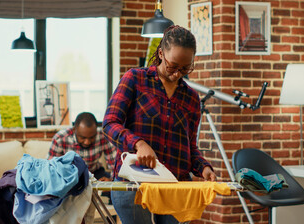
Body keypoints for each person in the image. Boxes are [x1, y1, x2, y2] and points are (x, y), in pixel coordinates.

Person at [102, 25, 216, 224]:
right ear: (161, 53)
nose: (177, 74)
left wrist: (203, 168)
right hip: (134, 184)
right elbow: (110, 123)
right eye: (173, 66)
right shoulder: (135, 79)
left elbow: (190, 147)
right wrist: (138, 144)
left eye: (185, 68)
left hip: (175, 185)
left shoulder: (191, 98)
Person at [48, 112, 116, 181]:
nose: (87, 142)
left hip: (95, 172)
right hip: (70, 174)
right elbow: (51, 167)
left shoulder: (103, 136)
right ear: (74, 130)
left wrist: (111, 179)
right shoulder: (60, 138)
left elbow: (114, 163)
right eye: (83, 138)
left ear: (96, 130)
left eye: (92, 137)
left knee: (113, 186)